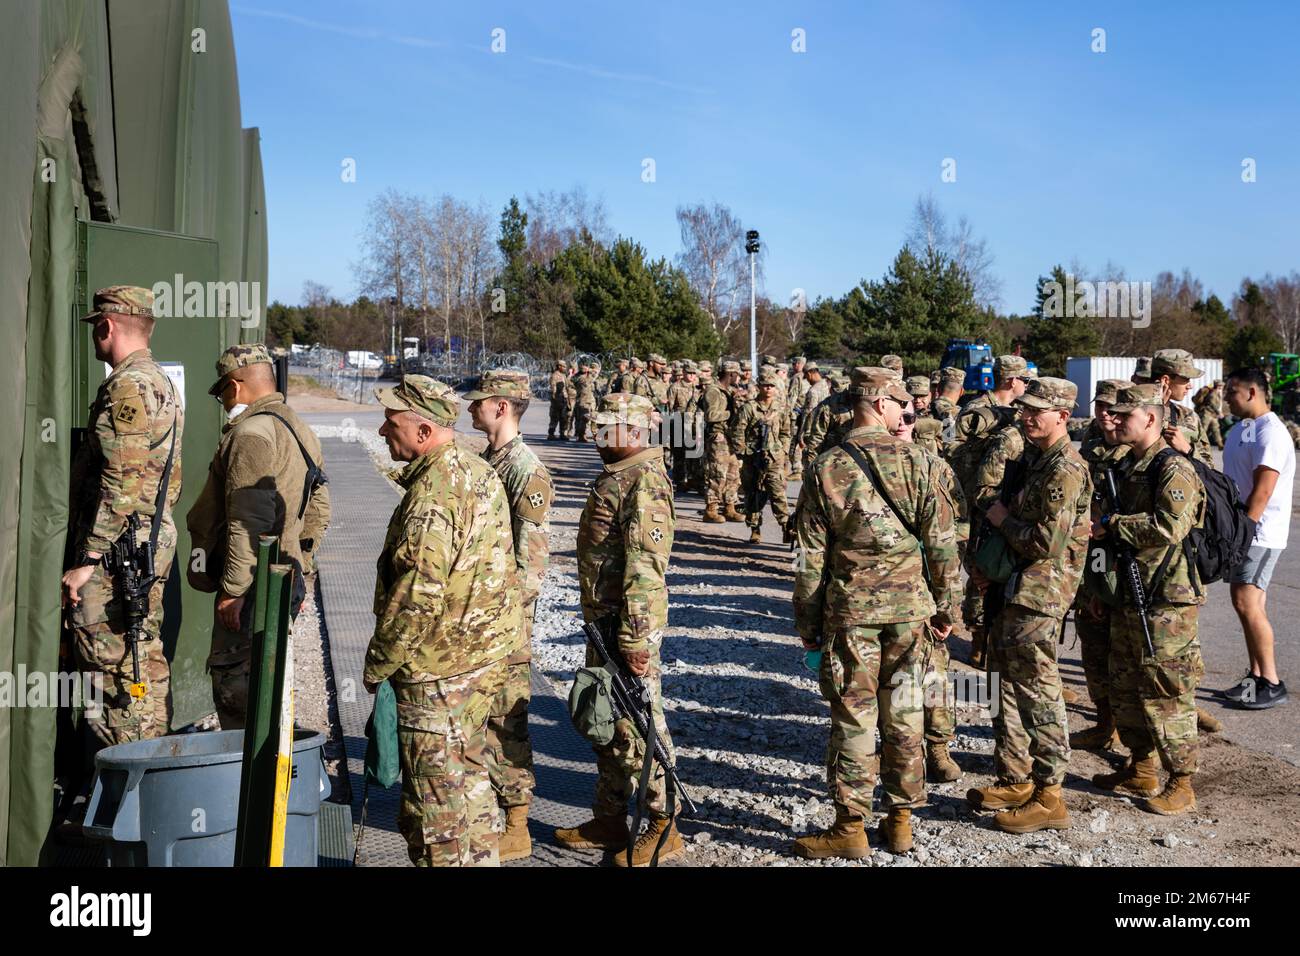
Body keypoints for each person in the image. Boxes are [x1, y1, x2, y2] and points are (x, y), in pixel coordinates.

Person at [791, 368, 961, 858]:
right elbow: (943, 545)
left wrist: (807, 625)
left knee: (854, 718)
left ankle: (850, 827)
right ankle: (901, 820)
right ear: (882, 403)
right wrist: (946, 606)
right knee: (905, 714)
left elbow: (808, 560)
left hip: (851, 616)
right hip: (911, 614)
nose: (904, 412)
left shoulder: (826, 467)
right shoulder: (921, 462)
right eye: (900, 404)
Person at [366, 376, 523, 866]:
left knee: (436, 816)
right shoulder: (476, 471)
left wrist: (379, 663)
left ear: (423, 430)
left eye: (391, 423)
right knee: (472, 789)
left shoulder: (434, 493)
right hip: (480, 663)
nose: (380, 431)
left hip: (439, 674)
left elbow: (416, 595)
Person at [555, 393, 683, 866]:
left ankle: (664, 823)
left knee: (637, 722)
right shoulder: (619, 473)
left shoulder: (644, 480)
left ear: (635, 431)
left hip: (627, 625)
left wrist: (633, 638)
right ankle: (609, 816)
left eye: (606, 428)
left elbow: (645, 570)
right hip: (605, 621)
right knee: (605, 717)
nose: (596, 435)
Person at [966, 378, 1091, 833]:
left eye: (1038, 409)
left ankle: (1050, 794)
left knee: (1038, 690)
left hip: (1039, 595)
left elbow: (1045, 542)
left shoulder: (1065, 469)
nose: (1027, 415)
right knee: (1000, 683)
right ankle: (1016, 776)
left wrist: (1000, 516)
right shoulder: (1035, 461)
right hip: (1012, 587)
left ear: (1063, 415)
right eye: (1025, 407)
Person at [62, 286, 184, 750]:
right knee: (142, 658)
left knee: (112, 665)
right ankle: (151, 766)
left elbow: (124, 476)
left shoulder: (128, 385)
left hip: (116, 553)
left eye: (96, 326)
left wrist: (90, 556)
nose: (95, 334)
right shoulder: (159, 382)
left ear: (107, 326)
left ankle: (126, 780)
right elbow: (163, 478)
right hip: (142, 541)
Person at [186, 343, 329, 730]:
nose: (221, 402)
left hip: (252, 590)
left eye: (221, 393)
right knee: (270, 688)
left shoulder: (251, 433)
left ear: (235, 385)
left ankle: (243, 783)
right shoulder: (298, 428)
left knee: (239, 696)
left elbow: (247, 521)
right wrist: (302, 569)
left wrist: (234, 589)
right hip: (282, 580)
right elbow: (318, 510)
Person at [1091, 383, 1206, 815]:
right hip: (1128, 591)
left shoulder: (1173, 468)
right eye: (1114, 414)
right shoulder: (1124, 464)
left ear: (1152, 419)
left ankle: (1182, 780)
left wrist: (1113, 524)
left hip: (1167, 598)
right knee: (1124, 682)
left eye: (1125, 415)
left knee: (1167, 688)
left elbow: (1168, 527)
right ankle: (1141, 766)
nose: (1114, 421)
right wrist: (1101, 588)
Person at [466, 370, 555, 860]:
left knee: (507, 720)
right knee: (483, 717)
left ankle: (517, 822)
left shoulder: (527, 469)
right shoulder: (491, 460)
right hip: (483, 614)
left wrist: (503, 624)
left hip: (505, 621)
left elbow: (531, 561)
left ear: (501, 406)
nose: (470, 408)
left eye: (478, 401)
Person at [892, 400, 968, 782]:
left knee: (934, 673)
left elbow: (961, 525)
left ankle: (938, 747)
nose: (904, 424)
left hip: (924, 588)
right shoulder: (855, 461)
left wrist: (948, 603)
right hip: (878, 594)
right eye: (899, 416)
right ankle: (895, 751)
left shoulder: (936, 467)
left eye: (911, 417)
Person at [1220, 367, 1293, 709]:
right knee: (1248, 603)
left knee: (1247, 602)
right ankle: (1256, 676)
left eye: (1231, 393)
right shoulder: (1242, 429)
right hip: (1245, 530)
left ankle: (1272, 682)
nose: (1226, 399)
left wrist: (1243, 532)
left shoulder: (1271, 433)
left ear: (1252, 393)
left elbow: (1263, 491)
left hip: (1259, 532)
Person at [1070, 380, 1132, 750]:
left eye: (1113, 408)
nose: (1105, 414)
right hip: (1092, 561)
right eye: (1100, 407)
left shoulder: (1140, 456)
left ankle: (1136, 743)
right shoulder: (1091, 450)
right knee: (1093, 649)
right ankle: (1104, 724)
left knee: (1126, 657)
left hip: (1126, 564)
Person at [732, 369, 791, 543]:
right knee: (753, 494)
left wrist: (783, 450)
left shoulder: (780, 407)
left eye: (771, 386)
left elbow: (786, 432)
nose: (768, 389)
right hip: (752, 458)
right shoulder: (749, 408)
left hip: (774, 458)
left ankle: (786, 527)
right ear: (759, 387)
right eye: (765, 386)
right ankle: (755, 528)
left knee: (777, 493)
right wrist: (743, 453)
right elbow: (737, 431)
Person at [1151, 349, 1215, 467]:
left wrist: (1187, 450)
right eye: (1186, 379)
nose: (1190, 386)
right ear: (1166, 380)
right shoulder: (1130, 413)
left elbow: (1209, 468)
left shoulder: (1188, 416)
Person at [573, 361, 597, 441]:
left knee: (584, 419)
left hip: (588, 400)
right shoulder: (581, 378)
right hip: (584, 401)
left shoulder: (585, 376)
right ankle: (581, 435)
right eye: (584, 367)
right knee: (584, 419)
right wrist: (590, 372)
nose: (586, 368)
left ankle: (581, 435)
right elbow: (591, 378)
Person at [547, 359, 570, 440]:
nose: (565, 368)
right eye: (563, 366)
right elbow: (553, 388)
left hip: (563, 399)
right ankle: (551, 434)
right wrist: (555, 399)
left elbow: (567, 387)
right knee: (554, 417)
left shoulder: (563, 375)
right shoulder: (554, 376)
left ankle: (562, 434)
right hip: (557, 400)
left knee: (563, 418)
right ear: (559, 366)